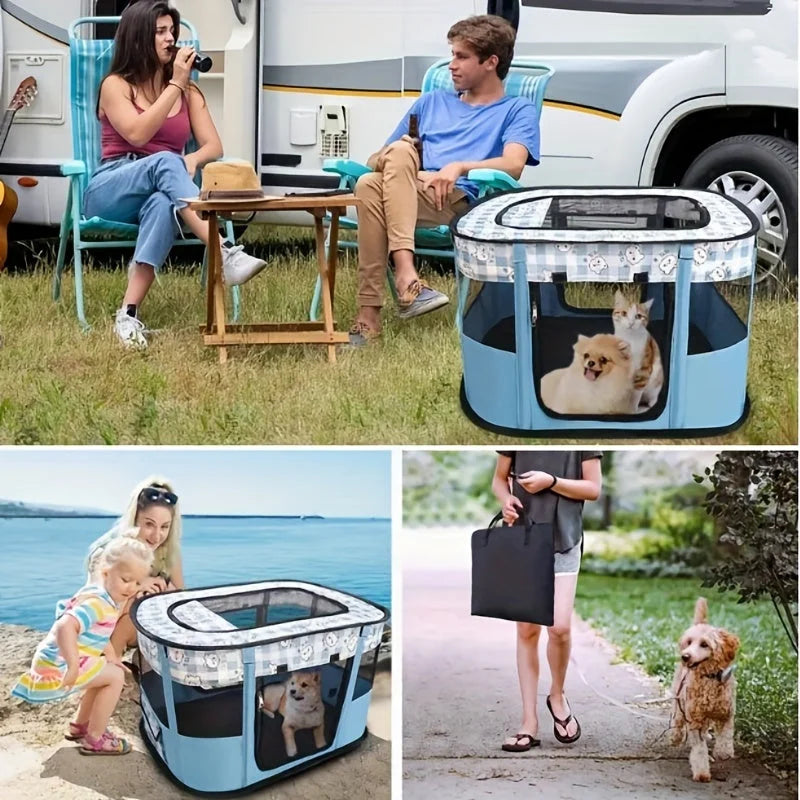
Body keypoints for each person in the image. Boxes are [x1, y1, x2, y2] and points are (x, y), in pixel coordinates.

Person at [83, 1, 267, 349]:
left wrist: (194, 159)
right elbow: (137, 134)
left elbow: (213, 144)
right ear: (139, 38)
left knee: (161, 206)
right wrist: (175, 86)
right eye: (161, 32)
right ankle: (222, 250)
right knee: (167, 161)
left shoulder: (189, 91)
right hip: (111, 185)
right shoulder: (115, 85)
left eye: (173, 31)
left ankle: (128, 314)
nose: (171, 39)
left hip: (162, 187)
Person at [348, 14, 540, 345]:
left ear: (490, 62)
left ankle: (370, 316)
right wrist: (416, 170)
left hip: (456, 203)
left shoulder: (516, 110)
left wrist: (457, 167)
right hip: (411, 189)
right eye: (452, 54)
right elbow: (375, 159)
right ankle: (407, 281)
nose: (451, 65)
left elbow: (513, 164)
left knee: (371, 186)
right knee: (378, 172)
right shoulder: (431, 102)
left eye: (461, 56)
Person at [491, 451, 602, 752]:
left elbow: (593, 488)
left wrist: (551, 482)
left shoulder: (582, 436)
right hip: (523, 538)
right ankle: (529, 723)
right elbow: (500, 480)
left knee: (560, 628)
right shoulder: (515, 433)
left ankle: (557, 694)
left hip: (565, 539)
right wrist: (506, 502)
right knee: (527, 631)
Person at [11, 535, 153, 755]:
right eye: (126, 580)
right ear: (106, 573)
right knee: (115, 678)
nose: (131, 588)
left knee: (109, 672)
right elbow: (65, 627)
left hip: (56, 660)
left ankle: (79, 726)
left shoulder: (104, 598)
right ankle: (95, 738)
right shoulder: (97, 604)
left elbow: (98, 634)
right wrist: (73, 665)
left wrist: (113, 658)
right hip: (58, 665)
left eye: (137, 583)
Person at [86, 475, 185, 658]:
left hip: (147, 624)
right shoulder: (109, 551)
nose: (156, 536)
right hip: (107, 626)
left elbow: (180, 596)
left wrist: (163, 589)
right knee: (131, 606)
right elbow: (96, 606)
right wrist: (139, 584)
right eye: (149, 524)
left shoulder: (169, 550)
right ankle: (110, 664)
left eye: (164, 527)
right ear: (134, 519)